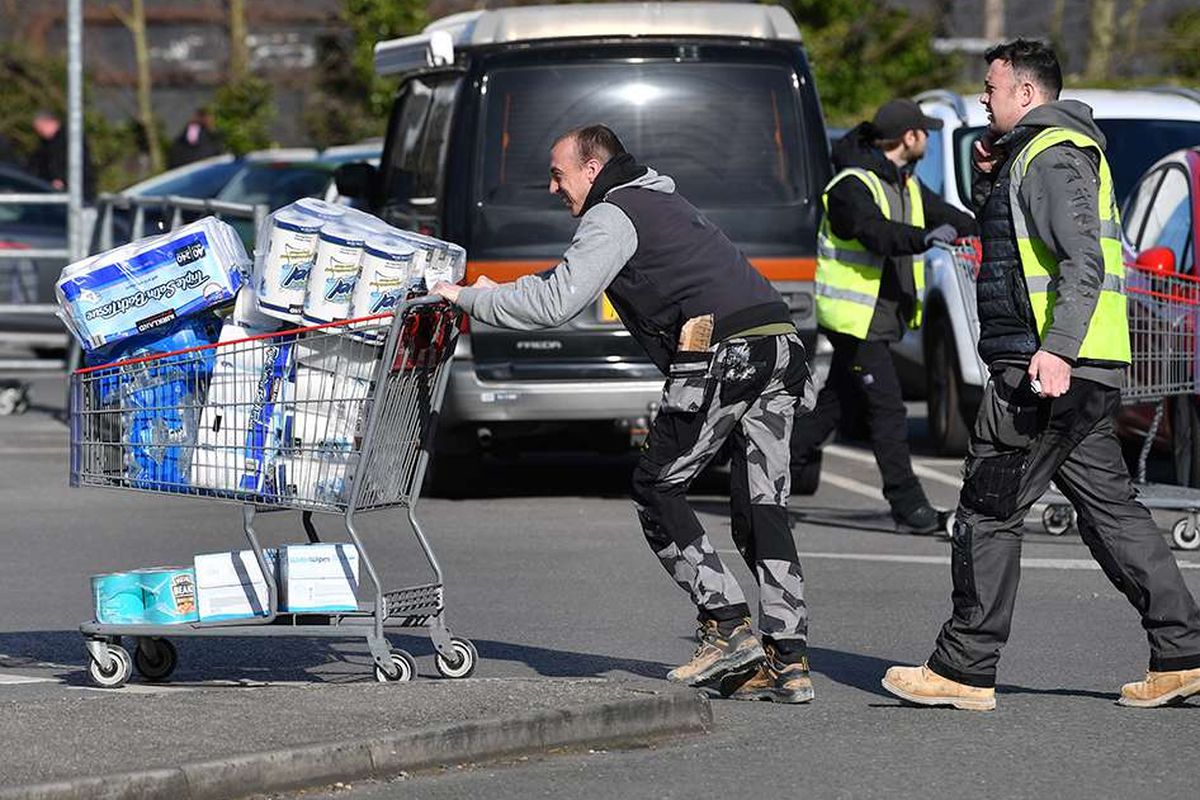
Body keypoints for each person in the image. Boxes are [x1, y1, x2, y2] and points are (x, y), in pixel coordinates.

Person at [432, 125, 817, 703]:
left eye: (559, 173)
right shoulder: (660, 197)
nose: (552, 186)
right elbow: (573, 282)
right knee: (761, 505)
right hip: (780, 346)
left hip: (726, 352)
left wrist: (466, 297)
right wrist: (493, 289)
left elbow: (556, 302)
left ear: (592, 168)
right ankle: (788, 664)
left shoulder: (614, 212)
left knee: (657, 486)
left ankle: (727, 628)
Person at [883, 39, 1200, 711]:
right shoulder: (1032, 154)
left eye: (991, 89)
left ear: (1026, 94)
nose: (983, 99)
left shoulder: (1053, 155)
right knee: (1110, 511)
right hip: (1074, 366)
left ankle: (964, 668)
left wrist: (1055, 350)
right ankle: (1182, 652)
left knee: (987, 509)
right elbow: (1012, 241)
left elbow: (1081, 260)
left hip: (1047, 368)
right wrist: (986, 175)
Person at [793, 99, 978, 535]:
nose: (928, 139)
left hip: (878, 319)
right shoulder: (849, 187)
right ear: (908, 138)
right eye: (924, 132)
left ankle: (760, 466)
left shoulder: (906, 183)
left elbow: (948, 217)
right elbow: (874, 231)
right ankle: (907, 504)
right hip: (855, 322)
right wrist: (925, 238)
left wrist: (991, 227)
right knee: (888, 410)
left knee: (832, 408)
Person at [26, 110, 95, 200]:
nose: (39, 132)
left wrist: (62, 179)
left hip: (75, 189)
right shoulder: (45, 144)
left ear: (50, 123)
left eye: (40, 127)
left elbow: (76, 163)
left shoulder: (70, 139)